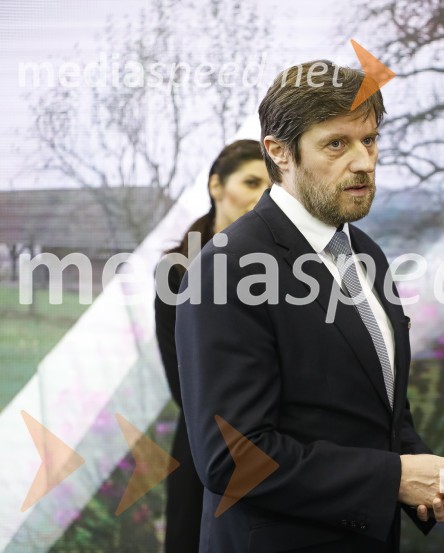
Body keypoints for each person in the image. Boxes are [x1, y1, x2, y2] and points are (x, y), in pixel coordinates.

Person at [175, 60, 444, 553]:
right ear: (278, 152)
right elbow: (232, 458)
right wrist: (393, 478)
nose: (363, 161)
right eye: (336, 144)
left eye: (370, 140)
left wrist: (427, 473)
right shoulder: (228, 266)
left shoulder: (365, 251)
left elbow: (381, 410)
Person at [154, 139, 270, 552]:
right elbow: (182, 382)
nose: (261, 194)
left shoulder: (285, 270)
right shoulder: (178, 270)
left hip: (277, 454)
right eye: (251, 181)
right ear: (216, 186)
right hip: (205, 449)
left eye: (270, 184)